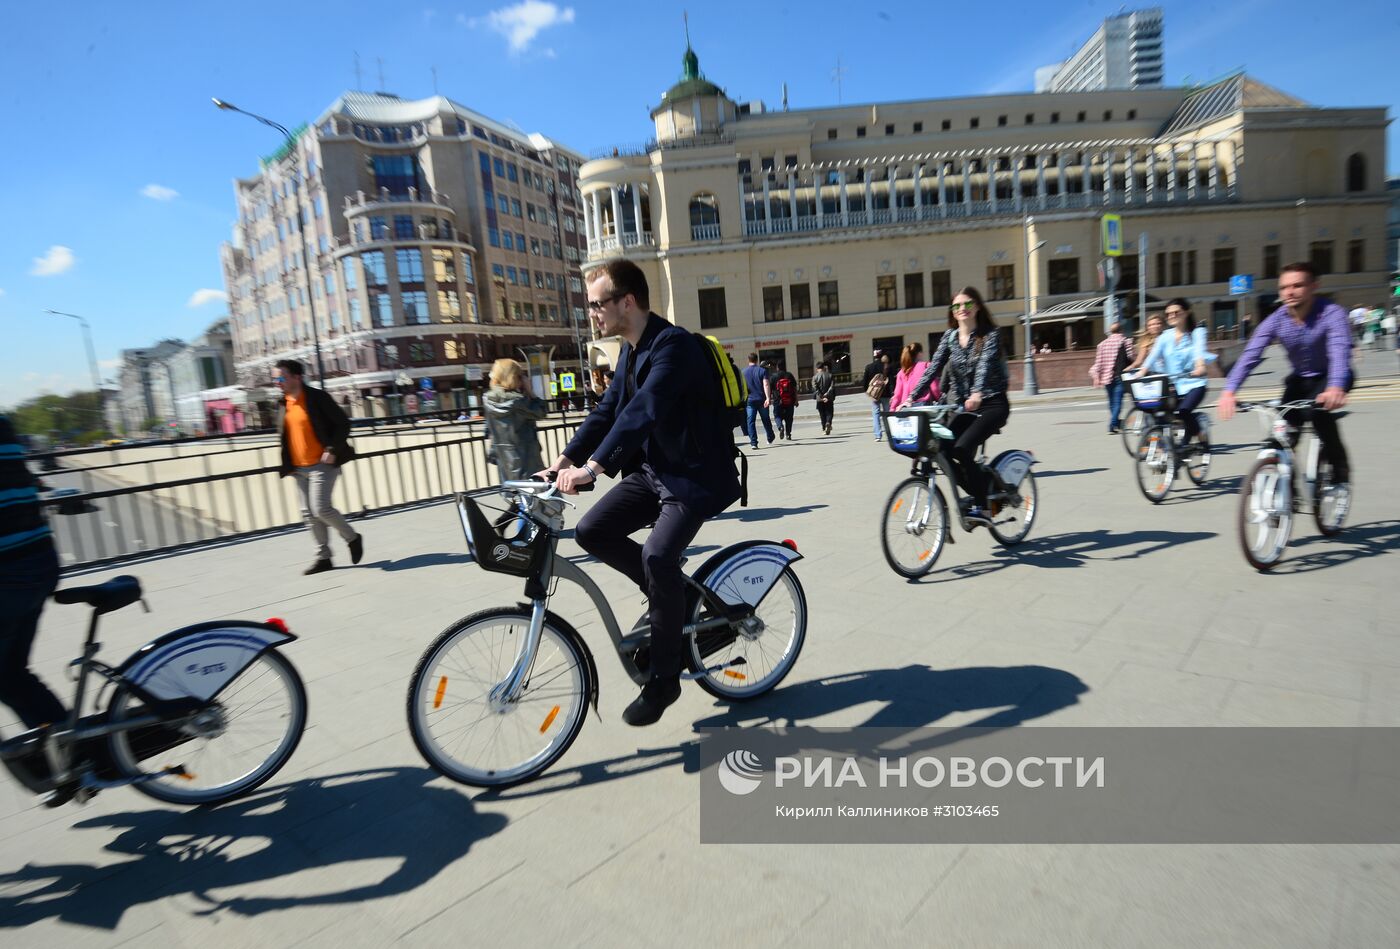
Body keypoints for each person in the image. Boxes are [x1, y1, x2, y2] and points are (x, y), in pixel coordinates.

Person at [542, 259, 741, 726]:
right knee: (592, 530)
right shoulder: (631, 350)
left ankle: (665, 678)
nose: (592, 313)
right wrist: (565, 460)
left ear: (626, 301)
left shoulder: (675, 347)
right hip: (655, 472)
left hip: (692, 477)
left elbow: (643, 412)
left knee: (656, 555)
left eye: (597, 304)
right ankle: (667, 601)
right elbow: (609, 410)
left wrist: (594, 468)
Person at [1218, 262, 1352, 496]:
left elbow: (1339, 349)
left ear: (1314, 286)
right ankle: (1286, 491)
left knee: (1318, 415)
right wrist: (1229, 391)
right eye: (1284, 287)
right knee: (1282, 430)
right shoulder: (1276, 319)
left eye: (1297, 285)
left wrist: (1335, 386)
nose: (1289, 292)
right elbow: (1251, 354)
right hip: (1300, 380)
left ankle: (1340, 469)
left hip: (1331, 377)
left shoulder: (1332, 313)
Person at [906, 287, 1011, 526]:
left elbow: (984, 366)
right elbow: (933, 368)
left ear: (977, 307)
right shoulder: (950, 337)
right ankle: (980, 491)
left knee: (962, 449)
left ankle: (985, 507)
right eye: (956, 306)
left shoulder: (990, 335)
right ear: (952, 311)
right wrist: (912, 397)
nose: (962, 309)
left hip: (992, 403)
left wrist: (976, 392)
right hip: (966, 407)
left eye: (967, 304)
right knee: (941, 449)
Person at [0, 415, 65, 737]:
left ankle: (73, 755)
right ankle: (71, 754)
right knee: (10, 675)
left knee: (9, 676)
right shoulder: (4, 424)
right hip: (38, 558)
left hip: (9, 571)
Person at [274, 359, 363, 574]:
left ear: (297, 377)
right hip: (299, 468)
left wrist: (331, 449)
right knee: (309, 514)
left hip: (322, 464)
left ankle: (352, 537)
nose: (278, 382)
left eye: (281, 378)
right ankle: (324, 558)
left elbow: (343, 424)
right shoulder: (283, 403)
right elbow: (285, 437)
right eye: (276, 379)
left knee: (320, 508)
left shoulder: (317, 398)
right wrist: (290, 464)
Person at [1136, 299, 1210, 447]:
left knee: (1182, 412)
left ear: (1186, 313)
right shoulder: (1165, 336)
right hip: (1174, 384)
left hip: (1195, 383)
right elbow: (1153, 355)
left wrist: (1200, 367)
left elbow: (1199, 352)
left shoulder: (1197, 333)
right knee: (1159, 413)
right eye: (1168, 314)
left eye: (1176, 312)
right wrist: (1142, 371)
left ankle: (1201, 435)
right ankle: (1166, 450)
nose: (1172, 316)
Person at [483, 358, 548, 481]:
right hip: (527, 460)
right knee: (546, 496)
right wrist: (531, 392)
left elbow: (488, 430)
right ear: (513, 377)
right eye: (520, 375)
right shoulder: (518, 401)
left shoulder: (487, 399)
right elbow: (541, 412)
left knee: (517, 494)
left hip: (504, 461)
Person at [1088, 322, 1134, 434]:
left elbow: (1098, 363)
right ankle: (1112, 424)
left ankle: (1115, 423)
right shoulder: (1126, 341)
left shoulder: (1102, 344)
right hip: (1120, 375)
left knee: (1112, 402)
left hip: (1106, 377)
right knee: (1118, 402)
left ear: (1110, 331)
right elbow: (1131, 357)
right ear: (1121, 331)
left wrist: (1096, 377)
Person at [741, 353, 775, 449]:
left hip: (750, 401)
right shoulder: (762, 370)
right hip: (761, 399)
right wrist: (768, 398)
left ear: (749, 360)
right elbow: (766, 384)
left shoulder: (743, 372)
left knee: (750, 421)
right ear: (757, 360)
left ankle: (753, 443)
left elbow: (742, 387)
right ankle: (770, 437)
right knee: (765, 419)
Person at [889, 341, 935, 411]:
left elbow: (897, 395)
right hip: (923, 406)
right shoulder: (926, 366)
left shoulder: (902, 372)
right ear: (919, 353)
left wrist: (892, 409)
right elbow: (934, 388)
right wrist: (940, 398)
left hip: (906, 407)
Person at [861, 349, 892, 441]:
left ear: (874, 356)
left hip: (875, 395)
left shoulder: (869, 367)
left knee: (876, 414)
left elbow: (865, 382)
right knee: (888, 414)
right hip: (886, 394)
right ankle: (890, 434)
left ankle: (878, 435)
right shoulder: (887, 367)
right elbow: (892, 382)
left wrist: (869, 393)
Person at [772, 364, 799, 439]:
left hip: (778, 401)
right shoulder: (789, 375)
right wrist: (796, 400)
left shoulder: (774, 376)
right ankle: (788, 434)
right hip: (789, 400)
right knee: (789, 418)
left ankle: (780, 427)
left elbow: (770, 389)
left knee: (777, 416)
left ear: (777, 368)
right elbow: (794, 388)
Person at [811, 361, 836, 435]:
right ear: (824, 367)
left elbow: (815, 388)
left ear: (817, 368)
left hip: (819, 399)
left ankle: (824, 427)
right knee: (829, 412)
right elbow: (832, 386)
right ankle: (828, 422)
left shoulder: (815, 377)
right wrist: (827, 395)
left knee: (822, 414)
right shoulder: (830, 375)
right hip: (829, 398)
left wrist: (821, 396)